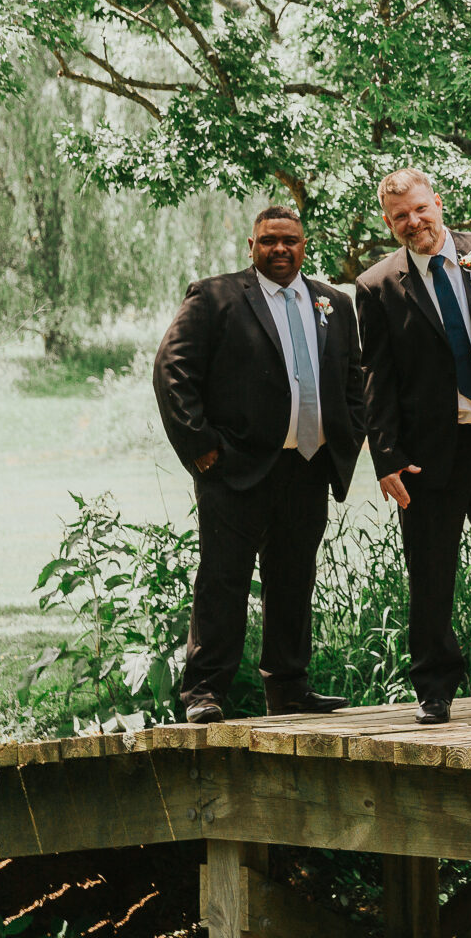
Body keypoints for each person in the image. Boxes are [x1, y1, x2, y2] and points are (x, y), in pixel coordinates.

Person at [153, 206, 365, 723]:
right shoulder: (216, 297)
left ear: (304, 246)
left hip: (308, 466)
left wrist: (348, 437)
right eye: (269, 241)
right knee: (224, 578)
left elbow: (355, 379)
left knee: (294, 577)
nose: (280, 249)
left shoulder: (333, 303)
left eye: (290, 240)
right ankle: (204, 692)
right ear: (251, 245)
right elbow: (171, 369)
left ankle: (289, 687)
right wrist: (199, 444)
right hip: (235, 466)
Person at [356, 169, 471, 726]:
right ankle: (434, 687)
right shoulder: (377, 285)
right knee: (430, 574)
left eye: (421, 210)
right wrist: (386, 457)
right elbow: (375, 378)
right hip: (428, 453)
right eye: (401, 215)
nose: (414, 222)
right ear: (389, 221)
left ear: (439, 204)